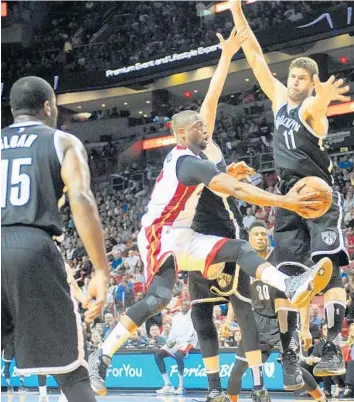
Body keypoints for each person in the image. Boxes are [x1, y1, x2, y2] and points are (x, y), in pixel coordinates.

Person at [88, 27, 333, 397]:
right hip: (160, 232)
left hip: (188, 234)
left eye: (206, 127)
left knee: (239, 249)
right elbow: (233, 189)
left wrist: (225, 55)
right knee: (158, 299)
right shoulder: (189, 161)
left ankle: (292, 284)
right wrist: (285, 202)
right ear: (183, 135)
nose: (208, 129)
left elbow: (212, 101)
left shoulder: (200, 151)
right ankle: (101, 357)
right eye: (200, 128)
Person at [230, 0, 350, 389]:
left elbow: (317, 104)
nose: (294, 81)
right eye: (292, 76)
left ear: (311, 82)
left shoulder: (313, 109)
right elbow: (254, 54)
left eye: (301, 78)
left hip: (318, 197)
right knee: (285, 276)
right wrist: (236, 10)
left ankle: (331, 346)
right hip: (287, 199)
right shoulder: (280, 100)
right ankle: (291, 356)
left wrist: (324, 95)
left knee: (329, 264)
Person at [1, 76, 110, 402]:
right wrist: (101, 269)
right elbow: (81, 200)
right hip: (32, 246)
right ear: (48, 107)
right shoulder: (62, 142)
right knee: (72, 372)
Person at [226, 221, 328, 402]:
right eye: (256, 234)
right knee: (238, 369)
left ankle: (322, 399)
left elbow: (301, 295)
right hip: (256, 321)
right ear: (249, 238)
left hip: (283, 319)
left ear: (269, 237)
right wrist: (228, 322)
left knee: (294, 368)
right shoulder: (243, 263)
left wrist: (304, 328)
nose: (260, 238)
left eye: (264, 234)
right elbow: (237, 297)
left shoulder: (280, 261)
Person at [154, 300, 197, 395]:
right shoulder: (176, 317)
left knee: (179, 354)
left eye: (187, 304)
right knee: (158, 355)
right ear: (181, 306)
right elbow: (173, 331)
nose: (185, 306)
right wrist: (170, 341)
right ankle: (168, 385)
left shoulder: (193, 316)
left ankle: (181, 386)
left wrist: (180, 343)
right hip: (176, 341)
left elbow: (193, 333)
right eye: (183, 304)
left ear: (189, 306)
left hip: (188, 342)